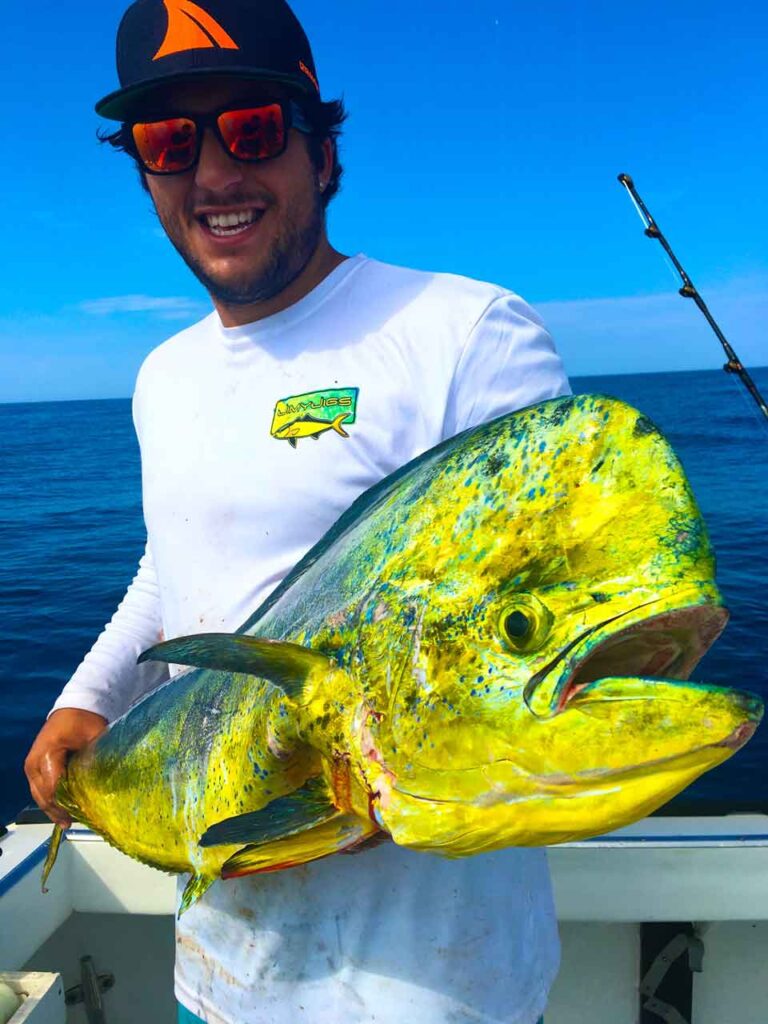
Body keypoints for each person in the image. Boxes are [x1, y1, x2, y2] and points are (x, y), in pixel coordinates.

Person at [24, 1, 569, 1022]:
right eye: (170, 141)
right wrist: (88, 693)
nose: (216, 173)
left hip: (440, 993)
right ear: (143, 170)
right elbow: (172, 568)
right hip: (220, 980)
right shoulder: (164, 376)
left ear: (323, 153)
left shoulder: (467, 334)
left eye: (256, 130)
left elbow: (528, 647)